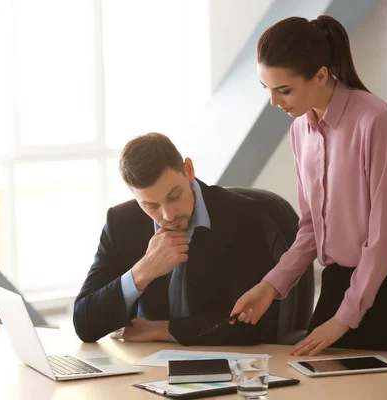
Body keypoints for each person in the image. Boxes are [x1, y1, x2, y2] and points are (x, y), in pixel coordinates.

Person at [230, 15, 387, 356]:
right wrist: (270, 285)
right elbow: (311, 227)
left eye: (284, 90)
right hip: (340, 279)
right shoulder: (301, 130)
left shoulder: (375, 121)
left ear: (321, 75)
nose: (274, 102)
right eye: (267, 89)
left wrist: (346, 316)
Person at [73, 132, 283, 345]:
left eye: (174, 196)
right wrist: (143, 271)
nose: (168, 215)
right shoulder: (121, 222)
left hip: (226, 362)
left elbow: (253, 323)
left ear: (189, 170)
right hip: (149, 365)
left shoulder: (243, 215)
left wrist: (161, 330)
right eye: (151, 206)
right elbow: (84, 324)